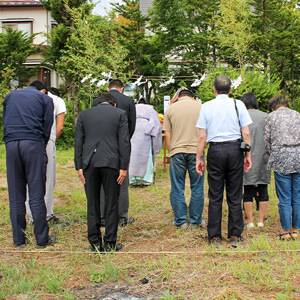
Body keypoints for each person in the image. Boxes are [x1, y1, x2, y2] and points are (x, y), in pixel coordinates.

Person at [196, 75, 252, 247]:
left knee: (215, 194)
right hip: (235, 150)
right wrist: (248, 155)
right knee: (235, 194)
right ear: (230, 90)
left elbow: (202, 136)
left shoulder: (206, 106)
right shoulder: (238, 104)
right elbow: (246, 133)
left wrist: (199, 157)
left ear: (214, 89)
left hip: (215, 150)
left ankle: (214, 236)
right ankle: (235, 235)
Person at [3, 80, 55, 248]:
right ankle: (41, 239)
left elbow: (5, 120)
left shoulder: (10, 96)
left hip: (11, 144)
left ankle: (19, 240)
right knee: (36, 192)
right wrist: (41, 145)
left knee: (16, 195)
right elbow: (47, 126)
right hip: (33, 143)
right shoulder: (45, 99)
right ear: (44, 90)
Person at [75, 93, 130, 252]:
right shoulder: (120, 114)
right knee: (111, 203)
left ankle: (94, 243)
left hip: (89, 163)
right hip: (112, 163)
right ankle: (110, 243)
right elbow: (124, 142)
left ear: (97, 104)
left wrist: (79, 166)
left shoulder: (85, 114)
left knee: (92, 203)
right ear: (114, 105)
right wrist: (123, 167)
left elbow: (78, 141)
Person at [93, 79, 136, 226]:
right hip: (121, 145)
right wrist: (123, 141)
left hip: (100, 146)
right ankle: (122, 216)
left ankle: (103, 216)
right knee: (122, 181)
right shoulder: (129, 101)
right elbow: (132, 126)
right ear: (122, 89)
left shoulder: (96, 101)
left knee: (102, 182)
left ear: (107, 88)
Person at [163, 89, 205, 229]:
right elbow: (205, 132)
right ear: (192, 97)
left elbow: (167, 134)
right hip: (196, 152)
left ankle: (180, 221)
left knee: (177, 186)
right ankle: (195, 220)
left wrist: (172, 151)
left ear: (178, 97)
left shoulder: (170, 109)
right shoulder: (201, 107)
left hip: (177, 151)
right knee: (197, 187)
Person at [26, 87, 67, 223]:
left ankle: (31, 214)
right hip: (46, 140)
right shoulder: (56, 100)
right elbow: (59, 126)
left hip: (26, 141)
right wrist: (53, 139)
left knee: (29, 178)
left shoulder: (26, 99)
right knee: (48, 178)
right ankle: (47, 214)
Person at [264, 95, 300, 240]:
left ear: (272, 106)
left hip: (281, 157)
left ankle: (285, 231)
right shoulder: (297, 115)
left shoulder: (271, 117)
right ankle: (296, 229)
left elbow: (267, 141)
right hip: (298, 156)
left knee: (284, 196)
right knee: (297, 196)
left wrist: (270, 154)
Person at [241, 93, 271, 228]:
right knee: (263, 187)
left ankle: (249, 220)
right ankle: (261, 220)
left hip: (246, 157)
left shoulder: (242, 116)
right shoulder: (266, 116)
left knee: (247, 189)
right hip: (264, 156)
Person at [129, 97, 162, 185]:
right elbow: (156, 123)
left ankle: (133, 179)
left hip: (134, 128)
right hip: (146, 128)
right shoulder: (150, 108)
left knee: (133, 153)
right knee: (146, 153)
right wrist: (152, 132)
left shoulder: (133, 107)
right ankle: (146, 179)